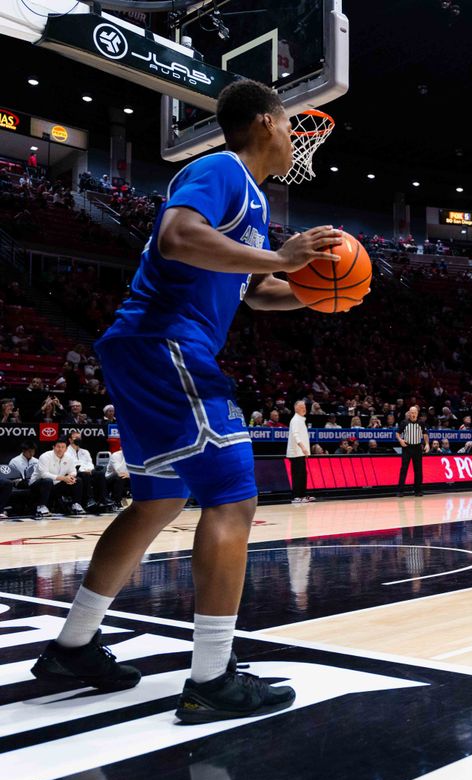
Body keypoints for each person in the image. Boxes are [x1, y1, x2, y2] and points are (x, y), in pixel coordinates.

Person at [31, 79, 353, 724]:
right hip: (166, 341)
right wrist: (279, 257)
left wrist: (318, 294)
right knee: (234, 500)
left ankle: (72, 647)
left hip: (145, 344)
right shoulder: (221, 168)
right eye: (291, 124)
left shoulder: (253, 202)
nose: (295, 137)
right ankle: (212, 677)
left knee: (159, 500)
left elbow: (255, 292)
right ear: (266, 121)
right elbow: (177, 236)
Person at [34, 438, 85, 518]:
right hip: (38, 484)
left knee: (77, 480)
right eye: (58, 447)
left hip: (56, 485)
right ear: (53, 447)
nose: (60, 449)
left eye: (63, 447)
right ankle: (41, 506)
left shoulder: (69, 457)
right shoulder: (45, 456)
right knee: (47, 481)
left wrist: (70, 477)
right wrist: (63, 478)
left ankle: (76, 504)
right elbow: (44, 474)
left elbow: (73, 471)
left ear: (66, 448)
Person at [67, 431, 108, 513]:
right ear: (70, 440)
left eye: (79, 438)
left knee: (100, 474)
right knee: (84, 474)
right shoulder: (66, 451)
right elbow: (74, 464)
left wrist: (90, 470)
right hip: (74, 472)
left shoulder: (85, 452)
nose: (78, 439)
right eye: (76, 438)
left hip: (88, 471)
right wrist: (84, 470)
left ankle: (103, 500)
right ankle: (90, 499)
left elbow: (90, 463)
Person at [397, 405, 429, 497]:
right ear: (409, 413)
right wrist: (400, 440)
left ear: (417, 413)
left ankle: (418, 490)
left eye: (415, 412)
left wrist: (427, 444)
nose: (413, 414)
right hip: (407, 448)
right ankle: (400, 491)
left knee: (418, 470)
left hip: (417, 448)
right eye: (412, 412)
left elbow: (425, 434)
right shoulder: (404, 422)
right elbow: (397, 433)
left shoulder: (421, 423)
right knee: (404, 469)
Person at [287, 399, 313, 504]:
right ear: (296, 408)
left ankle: (302, 495)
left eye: (305, 407)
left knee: (303, 474)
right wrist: (303, 447)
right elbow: (295, 435)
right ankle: (296, 496)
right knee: (297, 474)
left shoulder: (301, 420)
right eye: (301, 407)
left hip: (300, 453)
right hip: (296, 453)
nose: (304, 409)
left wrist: (305, 451)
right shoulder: (295, 420)